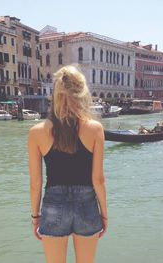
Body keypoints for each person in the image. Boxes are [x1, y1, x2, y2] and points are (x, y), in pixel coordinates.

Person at [28, 65, 107, 263]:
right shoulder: (95, 129)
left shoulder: (36, 132)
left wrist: (35, 217)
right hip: (87, 205)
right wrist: (104, 216)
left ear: (54, 94)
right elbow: (98, 180)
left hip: (53, 206)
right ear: (82, 93)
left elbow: (35, 183)